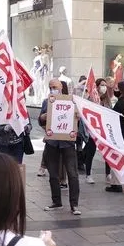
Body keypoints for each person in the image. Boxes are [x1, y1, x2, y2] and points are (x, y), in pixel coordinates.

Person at [40, 78, 81, 214]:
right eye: (50, 87)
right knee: (53, 174)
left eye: (55, 87)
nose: (53, 89)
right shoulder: (47, 102)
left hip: (67, 142)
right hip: (52, 142)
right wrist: (44, 117)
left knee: (72, 174)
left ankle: (74, 205)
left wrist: (77, 116)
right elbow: (41, 120)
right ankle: (56, 202)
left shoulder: (72, 101)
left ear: (61, 87)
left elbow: (77, 122)